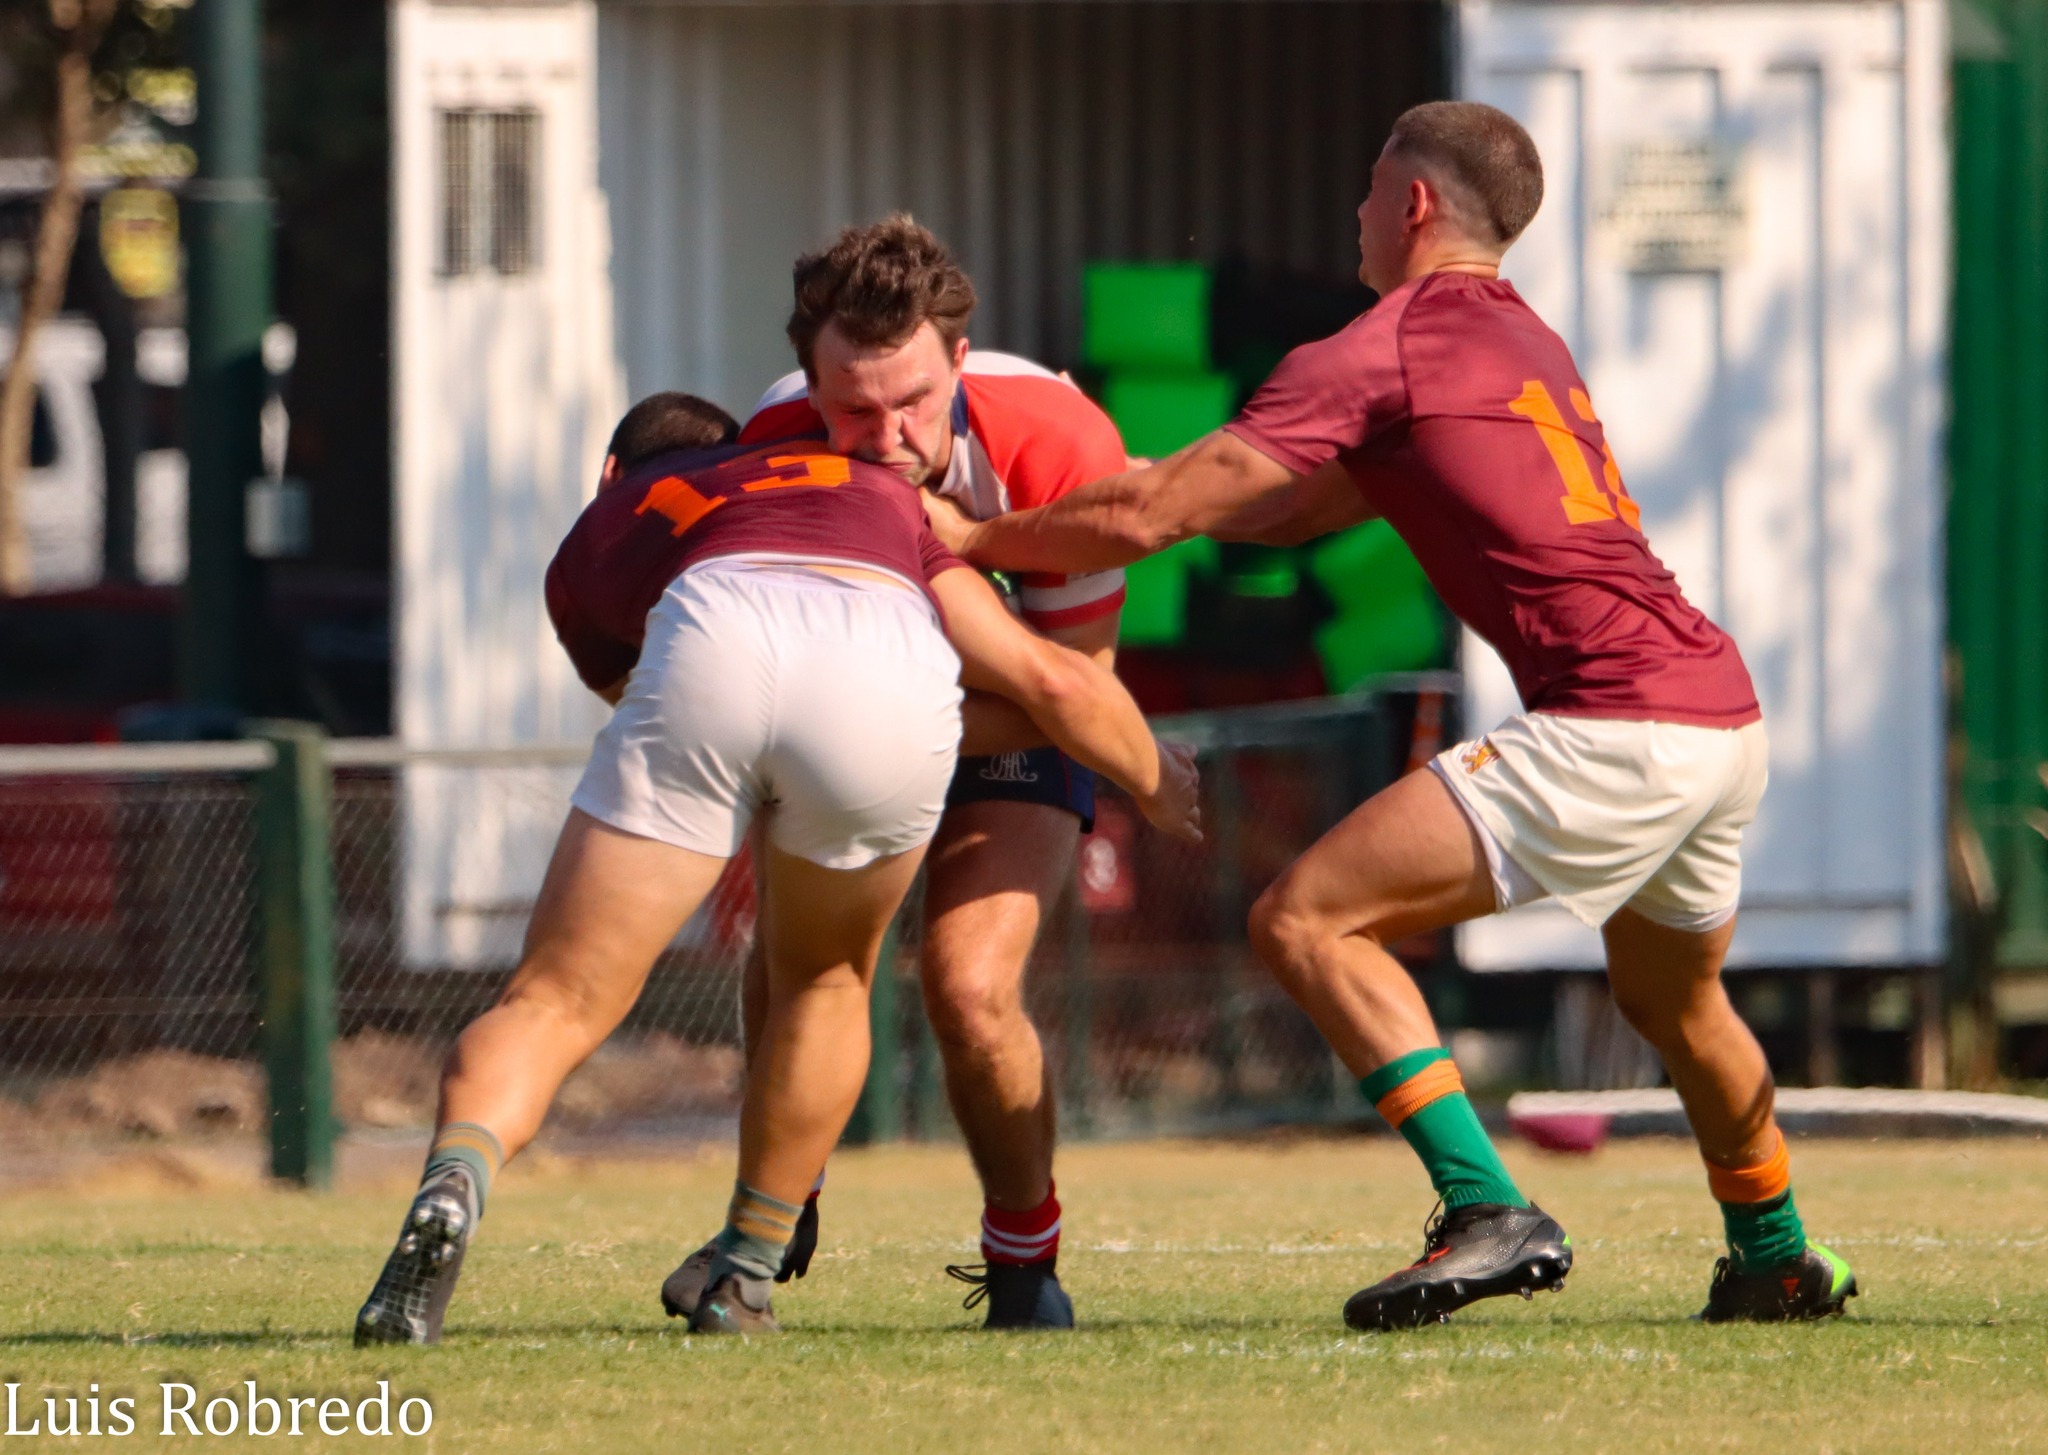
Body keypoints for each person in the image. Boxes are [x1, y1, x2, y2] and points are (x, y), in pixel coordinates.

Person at [923, 101, 1856, 1329]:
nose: (1355, 212)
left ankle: (1484, 1207)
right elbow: (1291, 507)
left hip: (1612, 724)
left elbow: (1151, 515)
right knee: (1678, 1005)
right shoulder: (1521, 339)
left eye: (1369, 188)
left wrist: (969, 537)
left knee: (1306, 921)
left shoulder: (1381, 345)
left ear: (1412, 204)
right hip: (1717, 719)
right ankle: (1774, 1253)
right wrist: (1153, 499)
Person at [354, 401, 1200, 1344]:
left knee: (553, 999)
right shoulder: (870, 486)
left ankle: (455, 1180)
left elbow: (660, 703)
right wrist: (1152, 776)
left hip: (709, 645)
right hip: (882, 667)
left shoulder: (597, 533)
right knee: (824, 981)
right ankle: (748, 1273)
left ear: (610, 471)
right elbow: (1050, 680)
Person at [662, 217, 1135, 1331]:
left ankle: (1024, 1262)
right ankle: (781, 1204)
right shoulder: (776, 436)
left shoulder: (1060, 442)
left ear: (959, 359)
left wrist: (890, 719)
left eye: (913, 403)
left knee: (968, 990)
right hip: (864, 716)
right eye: (854, 411)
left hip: (1016, 718)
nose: (883, 440)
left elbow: (1071, 694)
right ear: (810, 387)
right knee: (795, 964)